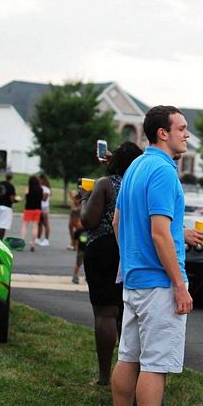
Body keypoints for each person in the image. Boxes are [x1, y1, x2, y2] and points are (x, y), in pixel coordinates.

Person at [110, 106, 194, 406]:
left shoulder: (135, 166)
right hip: (159, 284)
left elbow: (117, 222)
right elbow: (160, 233)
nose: (187, 134)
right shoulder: (163, 171)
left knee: (127, 358)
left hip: (134, 281)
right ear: (163, 133)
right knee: (154, 366)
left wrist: (132, 258)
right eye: (181, 128)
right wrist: (179, 285)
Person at [79, 141, 144, 386]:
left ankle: (105, 377)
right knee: (126, 313)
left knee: (105, 313)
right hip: (130, 249)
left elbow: (89, 220)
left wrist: (84, 199)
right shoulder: (140, 185)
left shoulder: (105, 184)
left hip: (103, 249)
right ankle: (129, 374)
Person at [23, 175, 44, 251]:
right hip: (37, 209)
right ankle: (33, 244)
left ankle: (22, 242)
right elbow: (41, 198)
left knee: (25, 226)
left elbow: (26, 198)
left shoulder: (28, 188)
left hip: (28, 209)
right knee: (35, 226)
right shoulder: (40, 189)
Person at [0, 171, 17, 239]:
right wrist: (15, 201)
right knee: (3, 226)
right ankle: (0, 239)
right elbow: (12, 198)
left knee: (1, 224)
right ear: (12, 177)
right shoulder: (10, 186)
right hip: (7, 206)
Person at [36, 174, 52, 246]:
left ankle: (46, 240)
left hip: (44, 208)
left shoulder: (46, 189)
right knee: (39, 223)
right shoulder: (40, 187)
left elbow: (44, 199)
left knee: (46, 224)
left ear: (43, 180)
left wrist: (37, 195)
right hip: (39, 207)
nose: (38, 181)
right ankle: (38, 239)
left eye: (39, 180)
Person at [71, 220, 87, 284]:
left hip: (88, 250)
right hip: (81, 250)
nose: (79, 224)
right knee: (78, 264)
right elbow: (75, 240)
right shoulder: (78, 231)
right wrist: (75, 246)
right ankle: (75, 276)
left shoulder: (89, 229)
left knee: (88, 264)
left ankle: (87, 276)